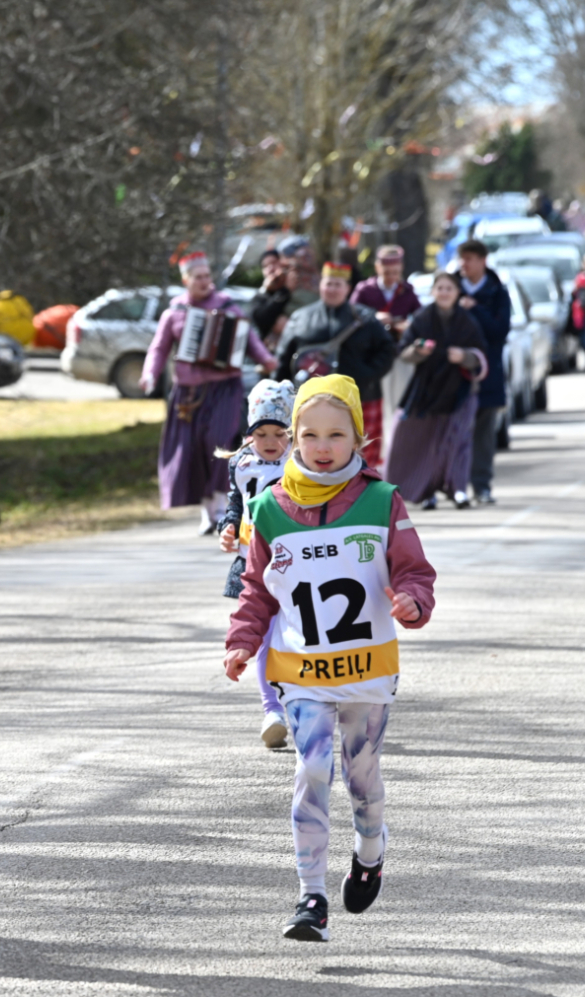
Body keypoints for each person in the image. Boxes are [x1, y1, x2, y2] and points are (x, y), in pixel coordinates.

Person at [223, 374, 437, 942]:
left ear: (359, 439)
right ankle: (310, 896)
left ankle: (370, 850)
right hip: (301, 672)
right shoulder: (269, 508)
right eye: (309, 434)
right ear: (293, 438)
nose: (322, 446)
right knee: (313, 768)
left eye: (336, 435)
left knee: (362, 780)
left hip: (367, 669)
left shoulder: (382, 501)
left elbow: (415, 572)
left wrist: (412, 602)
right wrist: (243, 639)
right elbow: (257, 589)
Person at [140, 251, 277, 533]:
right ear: (186, 280)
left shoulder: (228, 306)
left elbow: (249, 337)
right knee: (193, 449)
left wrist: (266, 359)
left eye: (207, 276)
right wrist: (149, 374)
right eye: (198, 277)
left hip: (224, 387)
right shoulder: (174, 312)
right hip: (188, 394)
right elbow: (159, 348)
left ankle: (221, 505)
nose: (205, 281)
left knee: (218, 441)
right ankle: (207, 512)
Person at [217, 379, 296, 748]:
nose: (269, 441)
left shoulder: (300, 462)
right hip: (252, 562)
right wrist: (229, 527)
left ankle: (304, 702)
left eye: (279, 433)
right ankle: (272, 711)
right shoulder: (241, 462)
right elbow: (235, 503)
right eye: (260, 433)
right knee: (262, 637)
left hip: (294, 562)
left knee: (295, 637)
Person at [275, 262, 397, 470]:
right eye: (328, 283)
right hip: (309, 402)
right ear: (320, 285)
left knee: (363, 459)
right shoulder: (300, 317)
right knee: (313, 457)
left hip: (360, 398)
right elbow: (284, 358)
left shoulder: (366, 318)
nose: (332, 289)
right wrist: (281, 393)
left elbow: (387, 350)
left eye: (337, 284)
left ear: (347, 288)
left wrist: (367, 375)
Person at [386, 273, 489, 510]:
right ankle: (426, 492)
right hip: (427, 390)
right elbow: (404, 352)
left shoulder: (467, 320)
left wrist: (464, 357)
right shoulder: (422, 318)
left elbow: (480, 353)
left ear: (457, 293)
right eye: (440, 288)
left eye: (449, 288)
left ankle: (459, 489)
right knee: (423, 442)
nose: (444, 293)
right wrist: (418, 351)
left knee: (458, 441)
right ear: (432, 292)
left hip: (460, 392)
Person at [453, 240, 512, 505]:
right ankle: (455, 486)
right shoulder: (451, 286)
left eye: (469, 258)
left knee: (484, 434)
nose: (464, 264)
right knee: (454, 433)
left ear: (483, 261)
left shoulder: (497, 291)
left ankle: (482, 486)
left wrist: (475, 308)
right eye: (462, 258)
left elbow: (499, 331)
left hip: (488, 373)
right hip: (454, 375)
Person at [247, 249, 292, 348]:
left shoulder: (294, 288)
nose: (270, 268)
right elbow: (259, 317)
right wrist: (266, 290)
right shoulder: (261, 295)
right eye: (265, 266)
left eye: (273, 263)